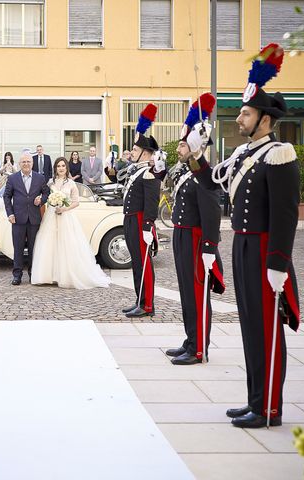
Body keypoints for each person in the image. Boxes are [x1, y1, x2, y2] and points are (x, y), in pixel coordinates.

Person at [195, 44, 300, 429]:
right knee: (250, 326)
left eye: (245, 113)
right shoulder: (242, 154)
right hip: (241, 244)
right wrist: (195, 156)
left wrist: (278, 265)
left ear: (264, 119)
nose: (239, 118)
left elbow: (287, 215)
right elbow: (211, 182)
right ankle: (255, 398)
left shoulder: (280, 153)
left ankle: (270, 408)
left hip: (263, 251)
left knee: (267, 328)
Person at [166, 93, 225, 366]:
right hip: (182, 234)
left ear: (195, 146)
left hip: (196, 239)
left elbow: (212, 212)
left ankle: (199, 348)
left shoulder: (205, 174)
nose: (179, 149)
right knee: (186, 292)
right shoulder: (188, 173)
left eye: (184, 144)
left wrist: (210, 248)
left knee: (197, 294)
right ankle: (191, 340)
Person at [31, 157, 110, 289]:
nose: (61, 168)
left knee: (66, 245)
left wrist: (64, 209)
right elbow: (46, 197)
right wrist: (42, 199)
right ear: (55, 168)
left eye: (63, 166)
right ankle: (49, 275)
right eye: (58, 166)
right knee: (49, 244)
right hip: (51, 216)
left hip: (66, 216)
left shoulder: (71, 183)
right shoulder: (51, 183)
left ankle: (66, 275)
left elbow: (76, 202)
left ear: (66, 168)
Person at [121, 103, 160, 319]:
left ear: (146, 153)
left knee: (144, 263)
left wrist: (148, 226)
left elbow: (151, 203)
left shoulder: (150, 173)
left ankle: (147, 305)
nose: (132, 153)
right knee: (137, 262)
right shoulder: (137, 170)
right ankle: (139, 300)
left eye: (135, 150)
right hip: (130, 220)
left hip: (139, 222)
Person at [3, 151, 50, 285]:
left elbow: (47, 193)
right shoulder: (12, 178)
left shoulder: (40, 178)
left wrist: (41, 199)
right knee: (17, 248)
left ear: (32, 163)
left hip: (34, 219)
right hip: (17, 218)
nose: (26, 164)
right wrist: (10, 214)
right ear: (19, 163)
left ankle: (33, 273)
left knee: (33, 248)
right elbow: (6, 196)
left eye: (28, 161)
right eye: (23, 162)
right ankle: (17, 275)